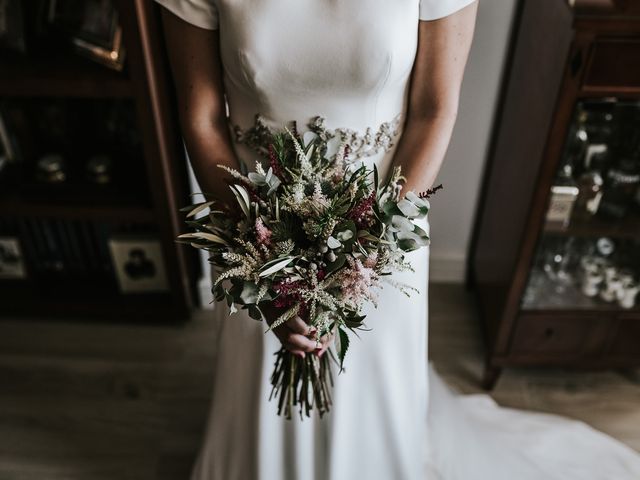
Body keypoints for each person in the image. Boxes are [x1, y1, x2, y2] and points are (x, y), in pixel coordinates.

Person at [156, 1, 640, 479]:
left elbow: (434, 110)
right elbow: (201, 119)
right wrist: (266, 269)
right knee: (259, 375)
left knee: (372, 385)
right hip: (250, 225)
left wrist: (365, 253)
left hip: (383, 230)